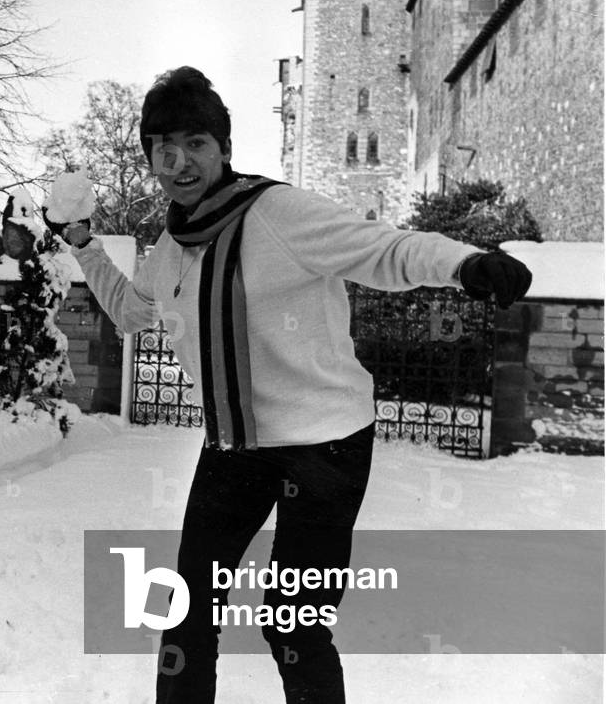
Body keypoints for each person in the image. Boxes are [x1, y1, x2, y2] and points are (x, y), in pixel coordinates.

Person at [56, 66, 532, 704]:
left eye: (196, 143)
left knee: (295, 623)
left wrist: (464, 264)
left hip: (324, 444)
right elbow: (132, 311)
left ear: (224, 149)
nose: (179, 161)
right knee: (186, 608)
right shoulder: (174, 244)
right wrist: (83, 242)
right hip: (235, 443)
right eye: (162, 148)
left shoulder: (279, 213)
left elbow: (382, 250)